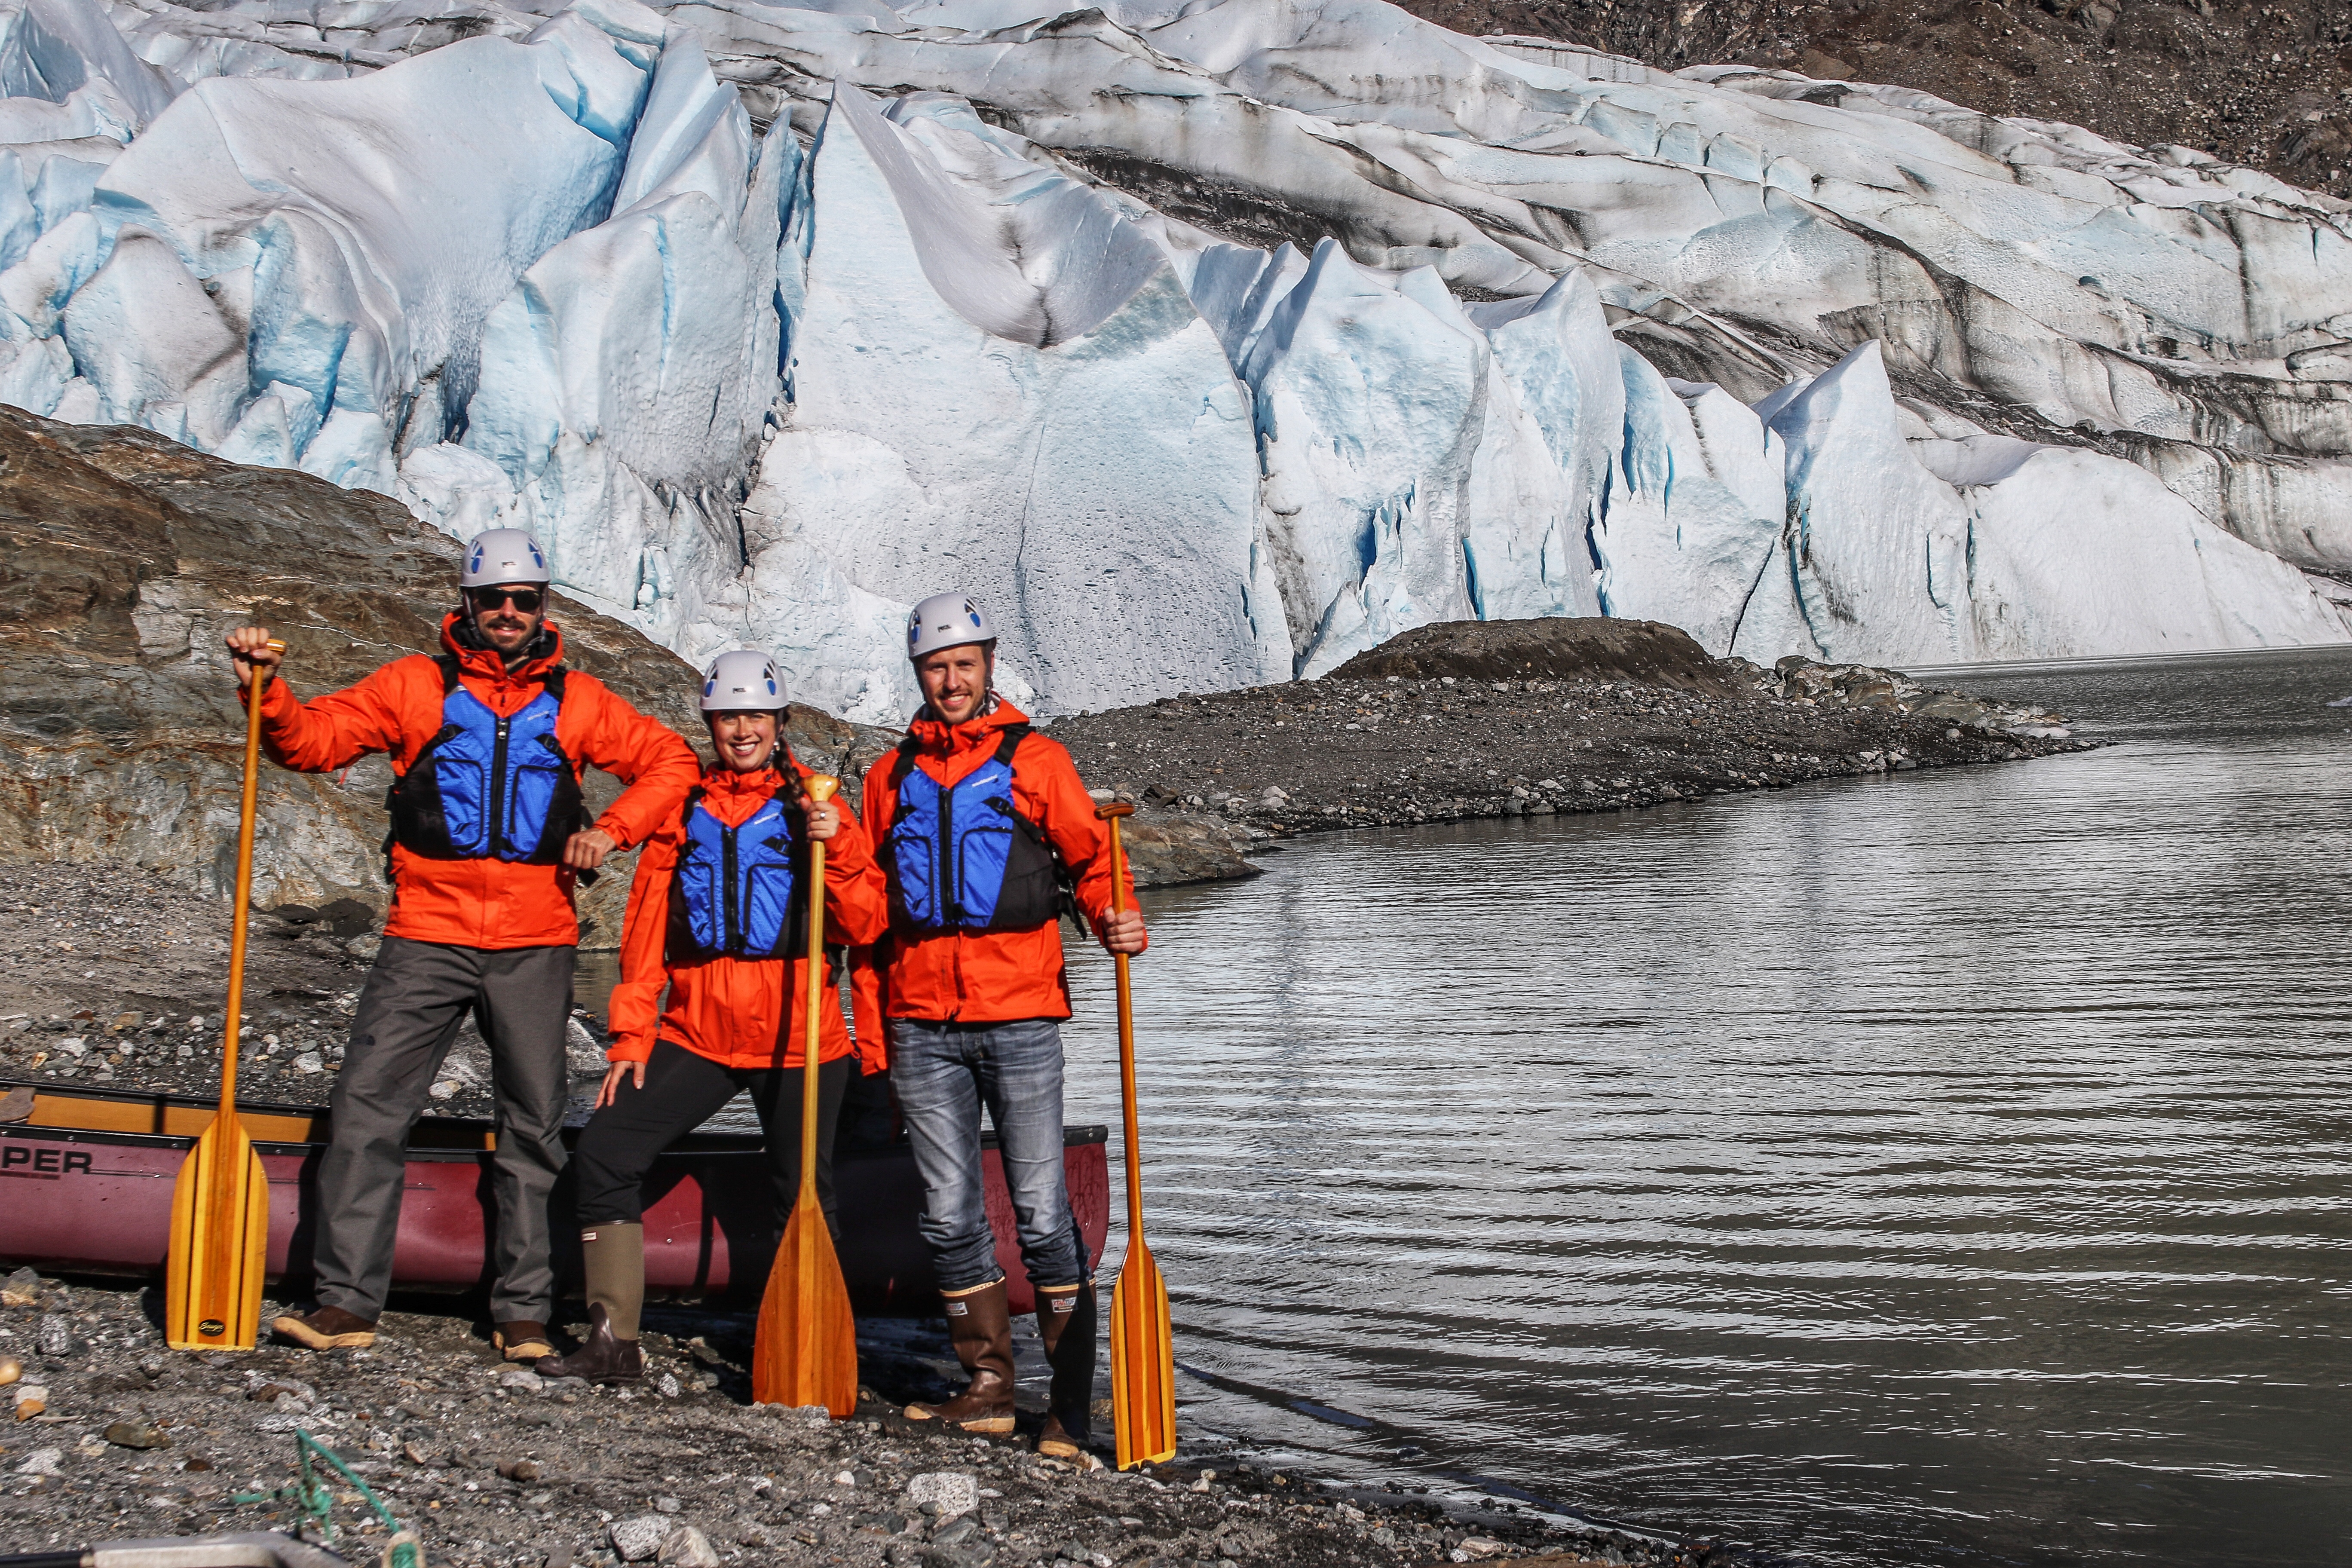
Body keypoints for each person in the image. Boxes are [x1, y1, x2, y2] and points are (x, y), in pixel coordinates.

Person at [224, 529, 700, 1359]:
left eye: (524, 601)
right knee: (369, 1110)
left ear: (544, 608)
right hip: (424, 934)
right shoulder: (414, 686)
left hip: (536, 939)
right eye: (493, 601)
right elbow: (311, 740)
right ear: (468, 605)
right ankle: (345, 1303)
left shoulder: (581, 700)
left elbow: (670, 761)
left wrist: (615, 830)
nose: (509, 614)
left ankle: (522, 1311)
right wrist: (267, 694)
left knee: (533, 1124)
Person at [852, 593, 1148, 1461]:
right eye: (937, 668)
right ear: (920, 676)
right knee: (947, 1216)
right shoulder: (888, 778)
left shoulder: (1034, 760)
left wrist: (1116, 916)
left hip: (1017, 1016)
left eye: (965, 665)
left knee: (1043, 1213)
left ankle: (1067, 1405)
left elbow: (1095, 861)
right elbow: (864, 913)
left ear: (988, 668)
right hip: (922, 1025)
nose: (952, 680)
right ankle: (985, 1385)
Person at [537, 651, 888, 1382]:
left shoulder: (818, 809)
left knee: (803, 1197)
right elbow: (644, 935)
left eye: (756, 715)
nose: (742, 729)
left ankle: (806, 1344)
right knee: (606, 1150)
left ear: (780, 723)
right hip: (700, 1032)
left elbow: (865, 925)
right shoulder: (684, 808)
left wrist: (843, 848)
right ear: (710, 723)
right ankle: (613, 1340)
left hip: (801, 1037)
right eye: (728, 716)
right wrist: (632, 1035)